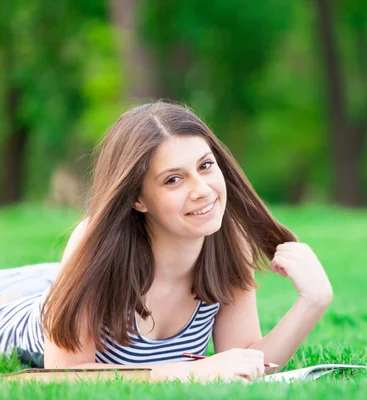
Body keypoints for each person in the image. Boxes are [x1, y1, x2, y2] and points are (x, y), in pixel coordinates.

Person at [0, 101, 333, 382]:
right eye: (173, 179)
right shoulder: (97, 248)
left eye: (205, 166)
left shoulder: (227, 244)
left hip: (52, 279)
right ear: (138, 199)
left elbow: (246, 360)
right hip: (18, 302)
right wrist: (189, 372)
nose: (202, 189)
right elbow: (60, 377)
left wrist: (312, 303)